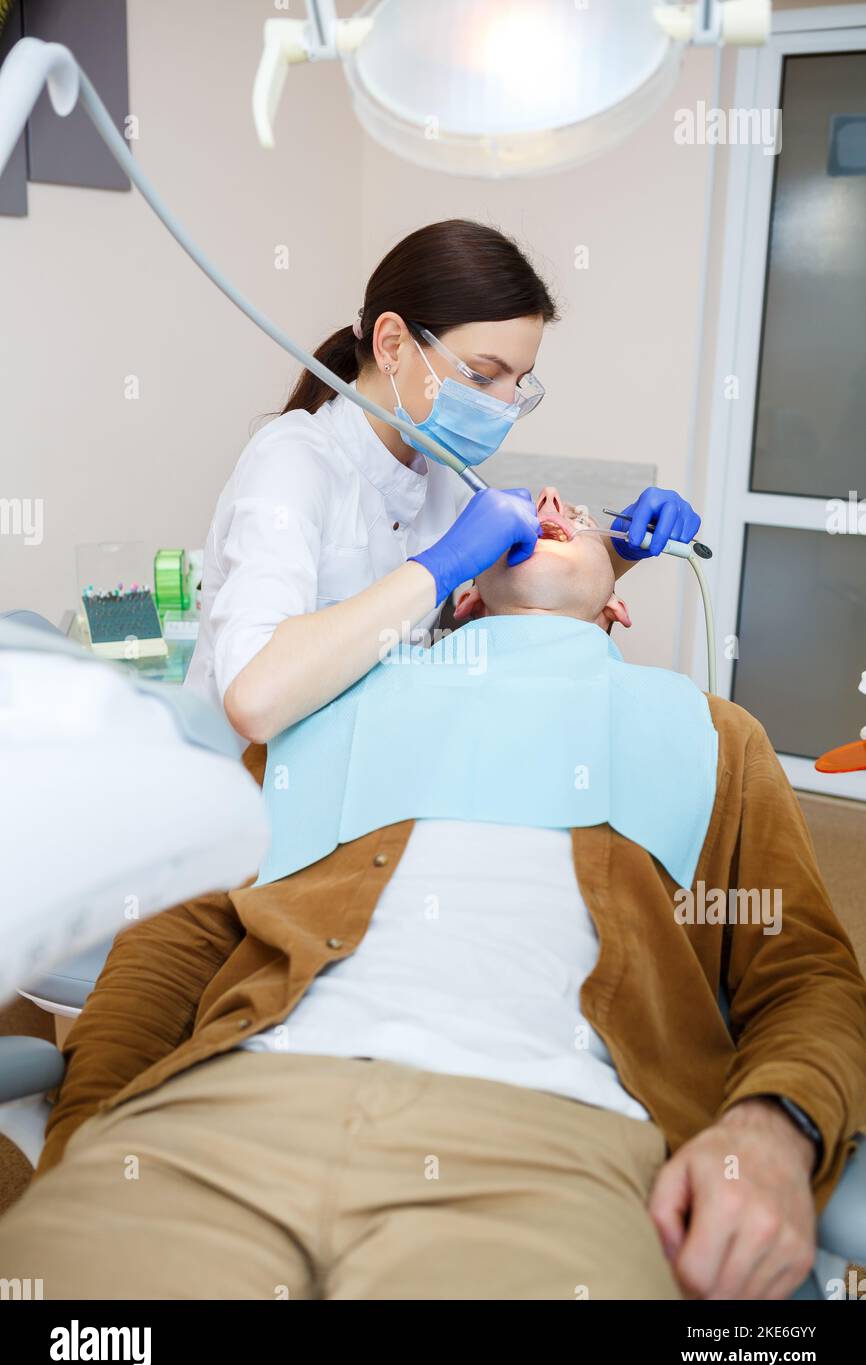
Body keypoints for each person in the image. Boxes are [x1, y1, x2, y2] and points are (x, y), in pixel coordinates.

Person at [3, 487, 865, 1302]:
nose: (549, 509)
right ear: (463, 599)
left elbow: (807, 976)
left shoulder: (706, 733)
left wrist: (774, 1132)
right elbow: (176, 938)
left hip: (550, 1152)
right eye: (526, 509)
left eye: (574, 516)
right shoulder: (334, 703)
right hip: (232, 1112)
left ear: (619, 609)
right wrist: (89, 1133)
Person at [182, 217, 700, 744]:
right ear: (392, 345)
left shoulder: (438, 476)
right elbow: (254, 699)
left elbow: (525, 595)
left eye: (518, 382)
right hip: (243, 791)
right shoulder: (292, 462)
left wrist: (619, 551)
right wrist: (440, 565)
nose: (503, 406)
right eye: (481, 374)